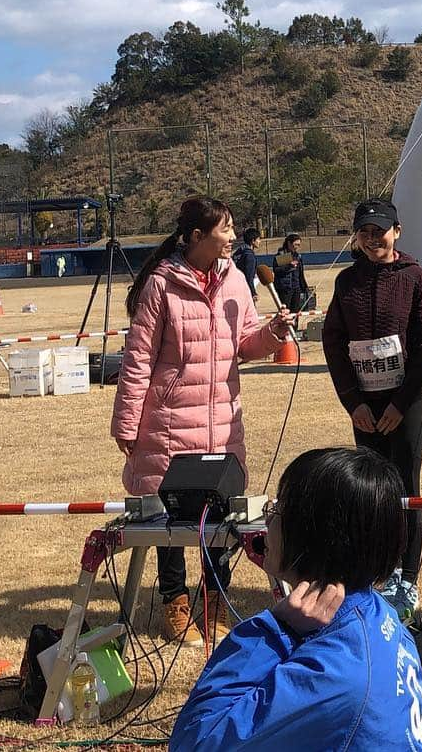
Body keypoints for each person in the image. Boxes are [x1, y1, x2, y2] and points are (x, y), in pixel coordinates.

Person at [111, 197, 293, 649]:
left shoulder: (235, 279)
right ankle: (175, 602)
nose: (232, 237)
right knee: (168, 522)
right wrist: (127, 424)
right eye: (224, 229)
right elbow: (137, 360)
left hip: (222, 422)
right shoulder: (161, 285)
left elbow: (245, 345)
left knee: (222, 516)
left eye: (233, 228)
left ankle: (214, 601)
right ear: (196, 237)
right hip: (169, 424)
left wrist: (271, 334)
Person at [170, 447, 422, 752]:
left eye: (277, 512)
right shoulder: (380, 614)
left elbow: (195, 741)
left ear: (315, 535)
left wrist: (273, 630)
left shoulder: (332, 672)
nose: (266, 524)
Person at [321, 199, 422, 622]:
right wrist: (353, 402)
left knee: (404, 487)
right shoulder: (346, 282)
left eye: (381, 230)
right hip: (364, 408)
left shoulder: (414, 277)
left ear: (397, 232)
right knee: (371, 488)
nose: (373, 239)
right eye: (365, 232)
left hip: (406, 403)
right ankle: (379, 571)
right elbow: (333, 342)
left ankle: (406, 578)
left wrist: (400, 404)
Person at [272, 233, 312, 315]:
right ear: (289, 243)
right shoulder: (283, 254)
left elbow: (300, 273)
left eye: (299, 245)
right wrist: (289, 266)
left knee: (295, 312)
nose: (297, 247)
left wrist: (304, 286)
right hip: (285, 288)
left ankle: (295, 327)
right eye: (295, 244)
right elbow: (277, 270)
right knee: (286, 311)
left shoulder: (298, 256)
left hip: (296, 287)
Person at [232, 227, 261, 302]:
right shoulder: (249, 256)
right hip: (245, 291)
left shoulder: (240, 252)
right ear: (253, 241)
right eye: (258, 239)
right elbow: (249, 277)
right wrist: (253, 293)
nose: (260, 241)